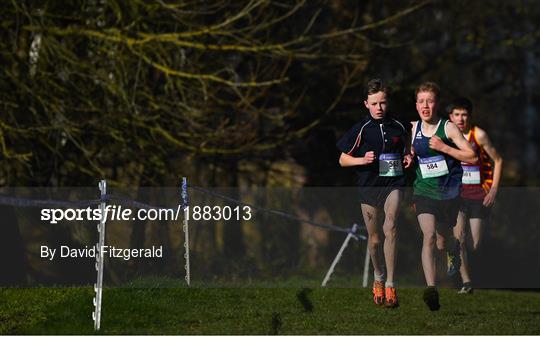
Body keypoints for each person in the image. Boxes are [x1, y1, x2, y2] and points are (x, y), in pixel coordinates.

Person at [337, 78, 412, 308]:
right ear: (366, 104)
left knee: (390, 227)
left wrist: (408, 157)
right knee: (375, 239)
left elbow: (406, 149)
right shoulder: (360, 129)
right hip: (369, 187)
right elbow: (342, 160)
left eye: (383, 103)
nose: (379, 108)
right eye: (375, 103)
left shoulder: (398, 126)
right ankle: (378, 277)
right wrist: (362, 159)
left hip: (393, 184)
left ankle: (390, 284)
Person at [410, 82, 477, 311]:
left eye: (429, 101)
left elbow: (472, 155)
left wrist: (444, 148)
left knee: (442, 240)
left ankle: (452, 250)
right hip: (423, 191)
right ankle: (431, 289)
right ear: (416, 104)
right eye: (421, 101)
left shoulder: (447, 128)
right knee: (428, 237)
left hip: (449, 193)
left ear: (436, 104)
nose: (425, 105)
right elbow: (406, 152)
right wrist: (407, 157)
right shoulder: (412, 128)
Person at [446, 97, 503, 294]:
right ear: (450, 117)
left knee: (474, 243)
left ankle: (454, 253)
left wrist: (493, 189)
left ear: (469, 116)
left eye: (464, 115)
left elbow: (498, 160)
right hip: (457, 195)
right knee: (459, 237)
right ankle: (467, 282)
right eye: (457, 114)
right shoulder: (447, 135)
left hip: (478, 195)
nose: (460, 119)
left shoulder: (478, 135)